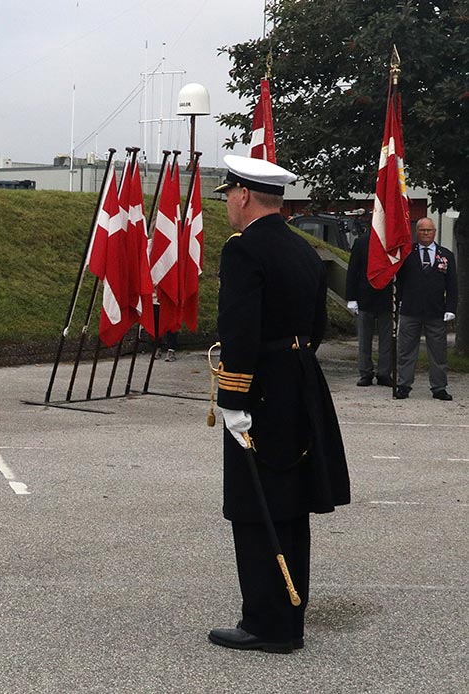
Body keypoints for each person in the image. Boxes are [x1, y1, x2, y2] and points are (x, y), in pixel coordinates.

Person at [208, 155, 350, 654]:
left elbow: (239, 330)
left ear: (244, 195)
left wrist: (232, 396)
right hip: (299, 385)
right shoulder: (303, 249)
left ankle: (267, 624)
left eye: (228, 194)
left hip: (261, 391)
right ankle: (291, 613)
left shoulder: (244, 251)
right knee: (289, 506)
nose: (227, 203)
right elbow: (315, 328)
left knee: (254, 505)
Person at [394, 218, 457, 400]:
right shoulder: (406, 254)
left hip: (436, 311)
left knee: (438, 352)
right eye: (422, 230)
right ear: (417, 232)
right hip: (410, 310)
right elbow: (398, 281)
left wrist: (451, 308)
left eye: (429, 230)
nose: (426, 233)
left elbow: (452, 285)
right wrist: (398, 301)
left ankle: (439, 387)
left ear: (435, 232)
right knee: (406, 350)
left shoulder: (446, 255)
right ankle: (404, 385)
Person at [344, 231, 394, 386]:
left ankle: (384, 373)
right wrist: (351, 297)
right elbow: (353, 270)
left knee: (387, 340)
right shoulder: (362, 242)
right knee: (365, 338)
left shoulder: (392, 242)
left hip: (387, 296)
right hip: (365, 296)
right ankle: (365, 372)